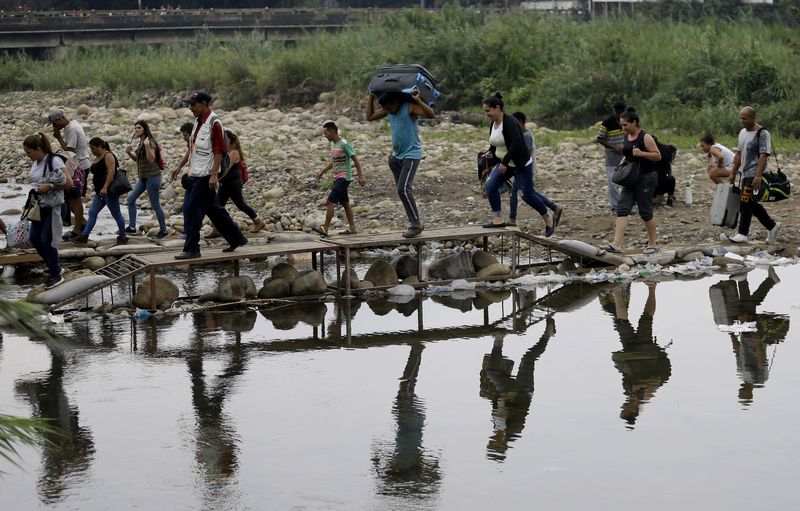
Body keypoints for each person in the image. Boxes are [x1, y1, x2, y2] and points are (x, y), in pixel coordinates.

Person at [170, 90, 248, 259]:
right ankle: (237, 238)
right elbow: (193, 148)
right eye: (190, 105)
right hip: (196, 173)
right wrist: (180, 167)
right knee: (214, 210)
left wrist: (214, 175)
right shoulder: (198, 121)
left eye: (194, 104)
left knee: (192, 209)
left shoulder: (215, 123)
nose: (191, 108)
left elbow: (219, 150)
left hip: (206, 174)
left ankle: (192, 249)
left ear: (205, 104)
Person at [365, 89, 435, 238]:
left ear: (396, 102)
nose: (388, 111)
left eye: (389, 108)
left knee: (403, 189)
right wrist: (371, 96)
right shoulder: (389, 110)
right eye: (386, 109)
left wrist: (418, 100)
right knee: (402, 191)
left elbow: (431, 115)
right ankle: (414, 221)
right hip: (396, 157)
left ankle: (416, 224)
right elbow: (370, 116)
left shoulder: (409, 107)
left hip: (411, 155)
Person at [481, 94, 554, 236]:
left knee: (526, 195)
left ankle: (548, 218)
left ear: (497, 108)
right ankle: (498, 218)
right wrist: (491, 151)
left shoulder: (510, 122)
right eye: (485, 111)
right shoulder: (494, 123)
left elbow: (517, 144)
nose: (486, 114)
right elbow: (494, 143)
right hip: (506, 163)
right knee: (490, 186)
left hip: (520, 164)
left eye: (488, 111)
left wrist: (504, 161)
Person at [606, 108, 661, 255]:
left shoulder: (646, 137)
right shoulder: (627, 137)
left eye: (625, 125)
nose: (622, 128)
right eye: (622, 125)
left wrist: (642, 153)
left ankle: (653, 244)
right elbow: (628, 154)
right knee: (622, 209)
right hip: (630, 178)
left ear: (634, 122)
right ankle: (616, 244)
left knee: (645, 212)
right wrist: (621, 164)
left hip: (646, 177)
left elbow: (657, 156)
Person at [23, 133, 71, 289]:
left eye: (29, 152)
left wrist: (50, 186)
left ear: (38, 149)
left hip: (54, 206)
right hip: (39, 206)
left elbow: (68, 183)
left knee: (47, 239)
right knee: (35, 239)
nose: (28, 156)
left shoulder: (53, 160)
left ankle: (56, 275)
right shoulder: (36, 162)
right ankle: (55, 267)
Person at [727, 106, 781, 244]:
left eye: (744, 118)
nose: (742, 121)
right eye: (741, 118)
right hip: (745, 173)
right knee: (750, 203)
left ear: (752, 118)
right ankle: (772, 226)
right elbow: (739, 153)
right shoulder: (742, 133)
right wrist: (733, 171)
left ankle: (742, 234)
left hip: (755, 173)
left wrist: (758, 176)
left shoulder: (763, 133)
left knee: (745, 202)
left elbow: (764, 155)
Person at [510, 111, 562, 227]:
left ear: (520, 122)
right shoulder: (524, 134)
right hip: (523, 169)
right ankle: (554, 208)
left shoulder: (526, 136)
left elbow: (525, 157)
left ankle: (513, 218)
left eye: (514, 122)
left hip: (526, 169)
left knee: (526, 194)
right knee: (521, 192)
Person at [313, 121, 365, 236]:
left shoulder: (344, 143)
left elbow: (355, 160)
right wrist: (322, 171)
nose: (324, 135)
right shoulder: (333, 144)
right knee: (345, 203)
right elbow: (334, 161)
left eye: (326, 133)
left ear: (332, 132)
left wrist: (361, 176)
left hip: (344, 178)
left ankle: (325, 228)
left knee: (329, 202)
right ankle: (352, 228)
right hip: (337, 178)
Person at [72, 137, 128, 246]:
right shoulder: (98, 157)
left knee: (116, 214)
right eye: (91, 149)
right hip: (100, 192)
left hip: (108, 191)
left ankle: (123, 236)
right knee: (92, 212)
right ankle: (84, 236)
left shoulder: (108, 156)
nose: (92, 151)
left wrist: (105, 187)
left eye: (93, 148)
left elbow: (111, 172)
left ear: (99, 147)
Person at [215, 130, 265, 234]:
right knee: (219, 206)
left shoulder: (233, 152)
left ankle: (258, 222)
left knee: (239, 204)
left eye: (224, 138)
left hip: (233, 184)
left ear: (229, 139)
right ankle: (217, 228)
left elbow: (226, 170)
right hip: (226, 184)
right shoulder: (227, 151)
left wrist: (216, 179)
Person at [49, 109, 89, 238]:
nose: (54, 127)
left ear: (60, 119)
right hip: (78, 164)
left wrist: (58, 137)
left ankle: (78, 230)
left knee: (74, 200)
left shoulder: (70, 129)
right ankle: (84, 225)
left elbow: (69, 149)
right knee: (72, 200)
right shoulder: (71, 125)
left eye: (54, 124)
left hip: (79, 166)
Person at [124, 120, 167, 238]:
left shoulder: (150, 142)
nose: (136, 130)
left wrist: (147, 146)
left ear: (144, 129)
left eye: (139, 128)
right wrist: (129, 153)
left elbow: (151, 159)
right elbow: (138, 160)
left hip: (153, 177)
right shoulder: (141, 142)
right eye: (135, 128)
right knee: (131, 199)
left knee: (155, 204)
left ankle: (163, 230)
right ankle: (132, 227)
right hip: (143, 177)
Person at [595, 101, 627, 212]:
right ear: (614, 111)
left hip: (625, 155)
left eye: (621, 112)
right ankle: (615, 205)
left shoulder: (627, 121)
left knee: (626, 180)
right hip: (612, 156)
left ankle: (625, 204)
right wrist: (614, 147)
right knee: (612, 181)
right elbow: (599, 138)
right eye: (617, 112)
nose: (618, 114)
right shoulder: (607, 122)